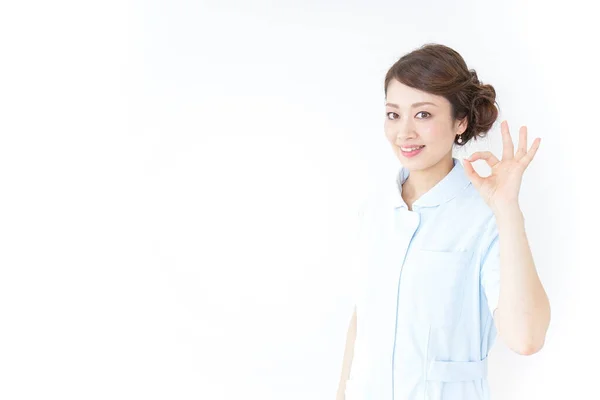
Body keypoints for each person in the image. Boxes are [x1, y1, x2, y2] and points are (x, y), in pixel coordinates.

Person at [335, 43, 551, 400]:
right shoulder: (373, 210)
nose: (404, 132)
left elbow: (526, 338)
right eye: (393, 114)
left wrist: (508, 210)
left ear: (460, 121)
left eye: (423, 115)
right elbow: (364, 321)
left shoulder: (485, 216)